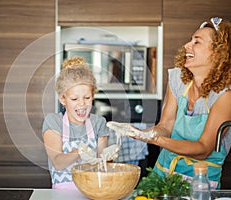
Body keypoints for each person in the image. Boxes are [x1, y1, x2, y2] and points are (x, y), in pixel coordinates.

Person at [107, 17, 231, 189]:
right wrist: (141, 133)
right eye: (190, 40)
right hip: (164, 171)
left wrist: (154, 139)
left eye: (197, 42)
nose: (187, 45)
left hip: (200, 181)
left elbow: (203, 149)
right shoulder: (179, 80)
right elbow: (166, 126)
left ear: (218, 53)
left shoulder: (225, 96)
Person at [42, 56, 119, 190]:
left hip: (94, 191)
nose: (82, 103)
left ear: (93, 96)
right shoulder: (54, 122)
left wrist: (109, 157)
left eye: (87, 97)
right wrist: (80, 151)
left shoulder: (98, 123)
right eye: (74, 99)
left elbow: (103, 166)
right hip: (62, 195)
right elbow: (58, 163)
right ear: (63, 99)